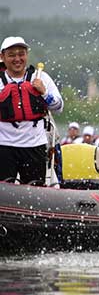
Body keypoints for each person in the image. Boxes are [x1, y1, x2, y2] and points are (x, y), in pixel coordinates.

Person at [0, 36, 64, 185]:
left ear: (26, 55)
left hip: (34, 145)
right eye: (12, 55)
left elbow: (59, 107)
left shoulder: (41, 78)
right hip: (3, 146)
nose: (17, 59)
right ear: (2, 57)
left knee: (34, 190)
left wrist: (44, 92)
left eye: (21, 54)